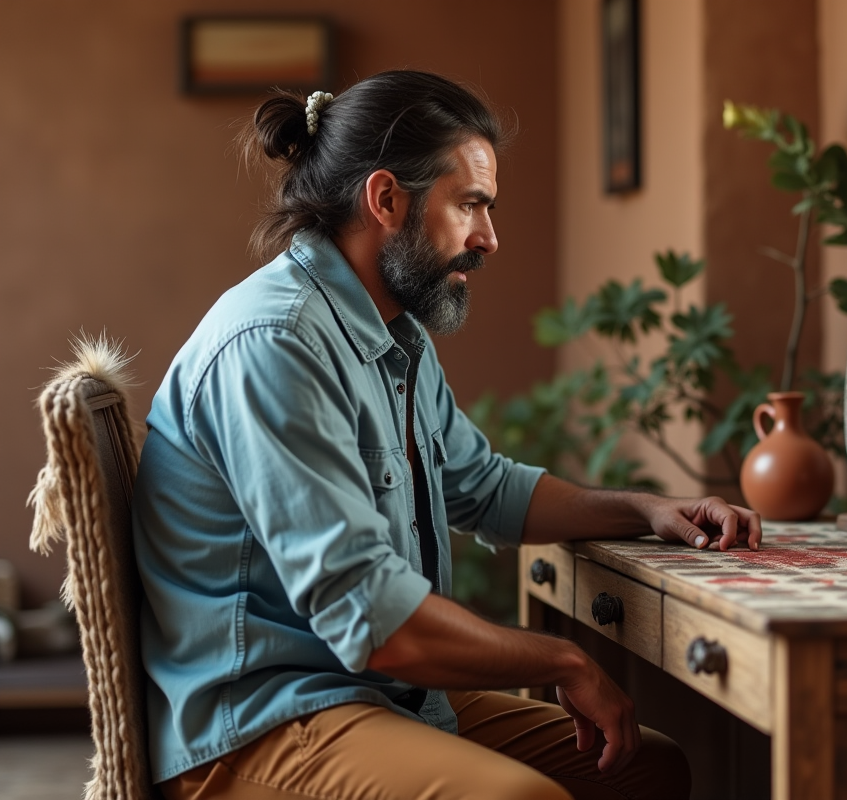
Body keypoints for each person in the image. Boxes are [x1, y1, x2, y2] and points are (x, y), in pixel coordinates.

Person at [132, 69, 761, 800]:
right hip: (262, 725)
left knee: (647, 769)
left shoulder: (394, 333)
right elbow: (377, 621)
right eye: (471, 205)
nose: (489, 238)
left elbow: (484, 485)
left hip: (373, 693)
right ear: (386, 199)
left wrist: (648, 508)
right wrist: (563, 662)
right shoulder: (275, 345)